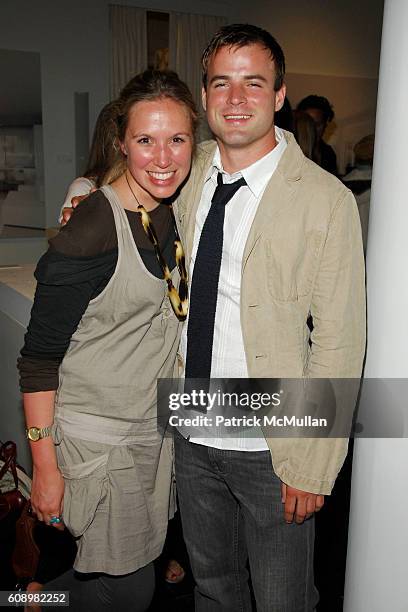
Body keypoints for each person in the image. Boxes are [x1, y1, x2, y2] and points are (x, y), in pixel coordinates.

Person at [171, 24, 365, 611]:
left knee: (283, 599)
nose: (235, 99)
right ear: (204, 97)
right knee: (214, 590)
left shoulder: (324, 199)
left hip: (271, 444)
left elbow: (339, 341)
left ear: (279, 95)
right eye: (221, 83)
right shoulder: (185, 170)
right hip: (190, 426)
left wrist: (313, 460)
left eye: (253, 83)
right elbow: (126, 178)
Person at [18, 69, 197, 611]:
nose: (162, 157)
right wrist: (45, 469)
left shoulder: (165, 213)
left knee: (114, 575)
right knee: (129, 587)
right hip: (99, 445)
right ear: (122, 142)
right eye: (145, 140)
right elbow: (38, 362)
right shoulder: (91, 228)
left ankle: (31, 600)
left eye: (177, 139)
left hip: (149, 435)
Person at [297, 94, 338, 175]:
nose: (312, 129)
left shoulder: (328, 154)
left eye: (317, 124)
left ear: (325, 125)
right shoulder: (288, 150)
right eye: (307, 124)